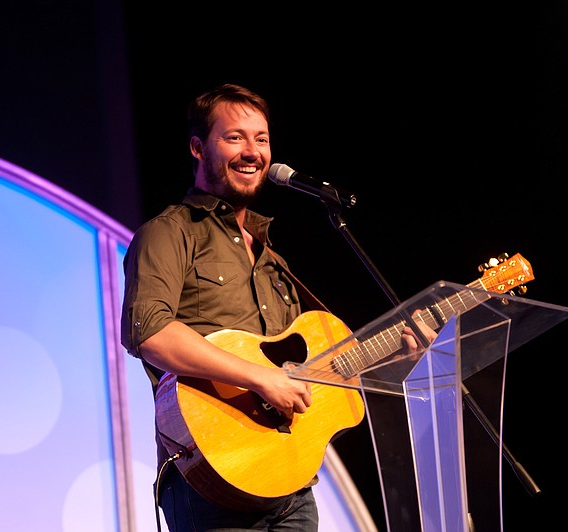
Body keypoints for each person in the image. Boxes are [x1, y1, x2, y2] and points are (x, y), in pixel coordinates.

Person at [121, 82, 435, 531]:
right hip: (211, 480)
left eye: (261, 139)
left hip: (289, 484)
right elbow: (149, 331)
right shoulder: (170, 233)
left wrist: (397, 355)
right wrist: (260, 379)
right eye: (234, 137)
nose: (252, 151)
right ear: (197, 147)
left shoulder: (273, 261)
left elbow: (310, 375)